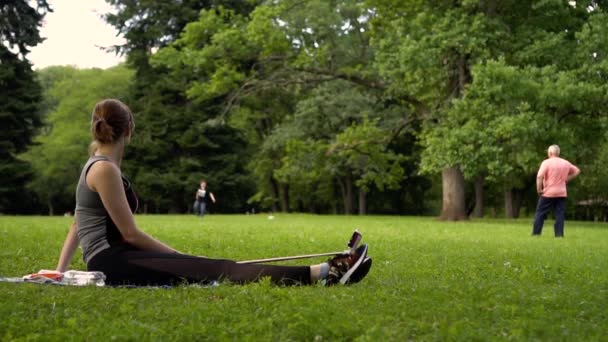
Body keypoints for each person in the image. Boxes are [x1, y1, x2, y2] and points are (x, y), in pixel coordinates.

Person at [54, 99, 372, 286]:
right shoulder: (105, 169)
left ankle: (330, 268)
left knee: (214, 267)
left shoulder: (96, 165)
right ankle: (328, 272)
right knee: (219, 269)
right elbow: (130, 233)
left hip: (112, 259)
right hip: (115, 263)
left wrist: (58, 271)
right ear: (129, 130)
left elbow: (77, 222)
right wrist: (177, 256)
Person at [532, 144, 580, 237]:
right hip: (561, 193)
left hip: (548, 192)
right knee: (559, 214)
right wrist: (566, 179)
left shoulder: (546, 162)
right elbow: (577, 171)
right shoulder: (565, 163)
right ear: (558, 153)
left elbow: (539, 176)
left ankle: (536, 233)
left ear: (550, 153)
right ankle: (559, 235)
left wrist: (539, 189)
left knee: (540, 213)